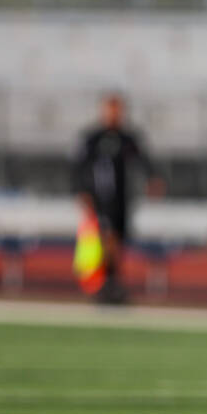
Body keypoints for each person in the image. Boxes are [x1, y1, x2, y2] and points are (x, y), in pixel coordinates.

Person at [72, 92, 165, 303]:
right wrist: (81, 192)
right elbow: (78, 168)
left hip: (122, 200)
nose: (114, 114)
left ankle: (110, 284)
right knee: (107, 241)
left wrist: (153, 178)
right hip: (100, 200)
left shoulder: (128, 138)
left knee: (118, 243)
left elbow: (144, 160)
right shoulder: (93, 138)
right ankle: (106, 285)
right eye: (110, 109)